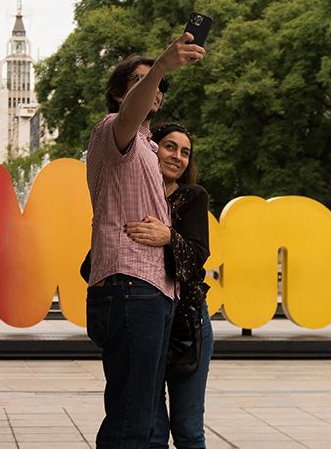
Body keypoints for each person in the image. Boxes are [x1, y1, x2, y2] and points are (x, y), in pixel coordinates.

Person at [85, 31, 205, 448]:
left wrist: (169, 235)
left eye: (156, 86)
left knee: (146, 421)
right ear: (119, 94)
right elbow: (131, 113)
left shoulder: (147, 148)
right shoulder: (112, 132)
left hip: (155, 291)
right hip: (130, 287)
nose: (153, 90)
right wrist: (160, 67)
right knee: (132, 420)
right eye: (138, 82)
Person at [141, 123, 213, 449]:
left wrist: (169, 236)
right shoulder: (132, 193)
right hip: (144, 317)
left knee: (188, 429)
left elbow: (197, 257)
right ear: (151, 148)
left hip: (187, 319)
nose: (178, 157)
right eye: (170, 147)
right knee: (152, 430)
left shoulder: (192, 196)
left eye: (185, 152)